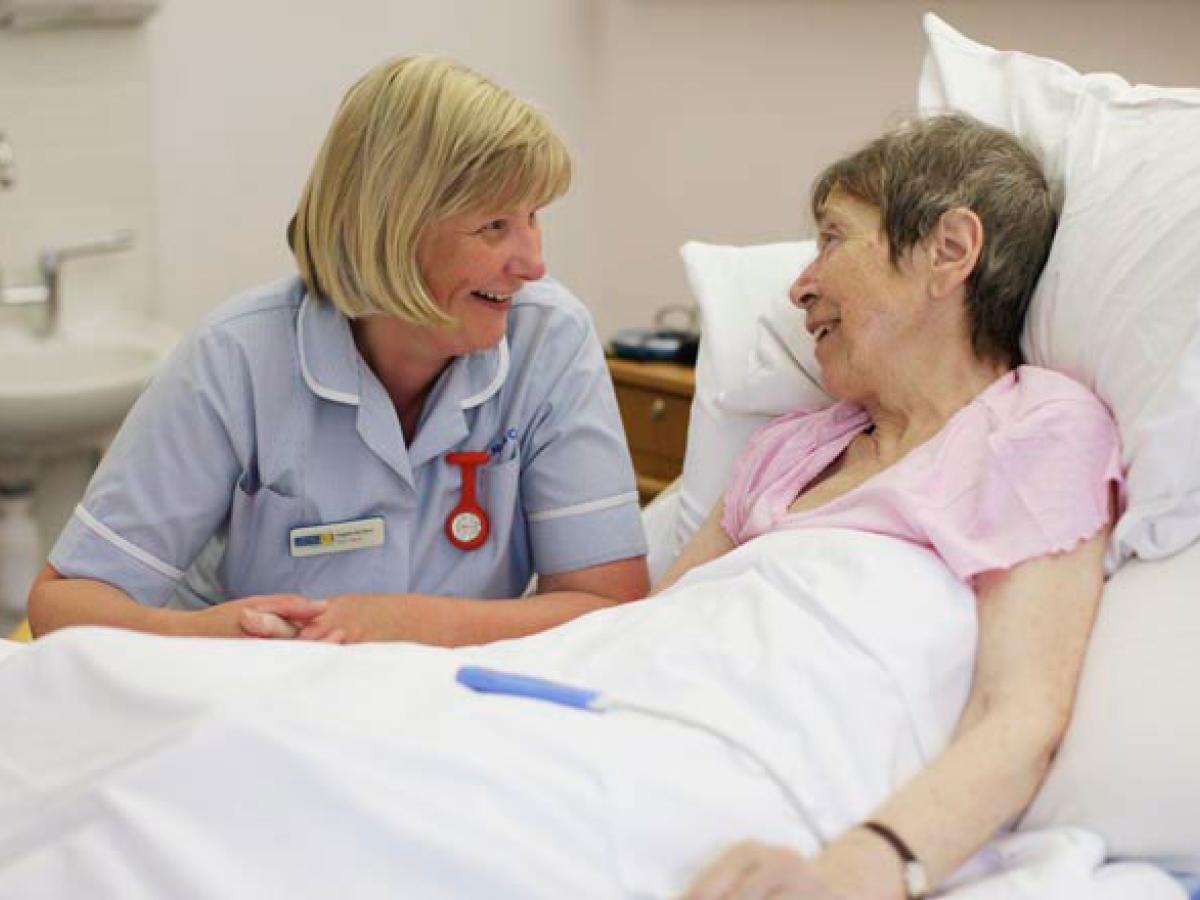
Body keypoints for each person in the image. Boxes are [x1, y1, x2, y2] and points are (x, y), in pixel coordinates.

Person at [27, 55, 649, 645]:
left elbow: (609, 604)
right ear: (393, 225)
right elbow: (66, 603)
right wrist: (205, 637)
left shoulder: (550, 341)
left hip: (457, 711)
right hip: (256, 701)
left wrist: (418, 628)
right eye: (494, 227)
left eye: (533, 217)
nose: (534, 263)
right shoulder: (236, 358)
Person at [673, 113, 1122, 899]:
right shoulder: (787, 449)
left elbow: (1018, 716)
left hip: (764, 778)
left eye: (832, 239)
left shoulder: (1033, 429)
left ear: (950, 250)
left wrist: (861, 869)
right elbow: (655, 625)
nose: (799, 285)